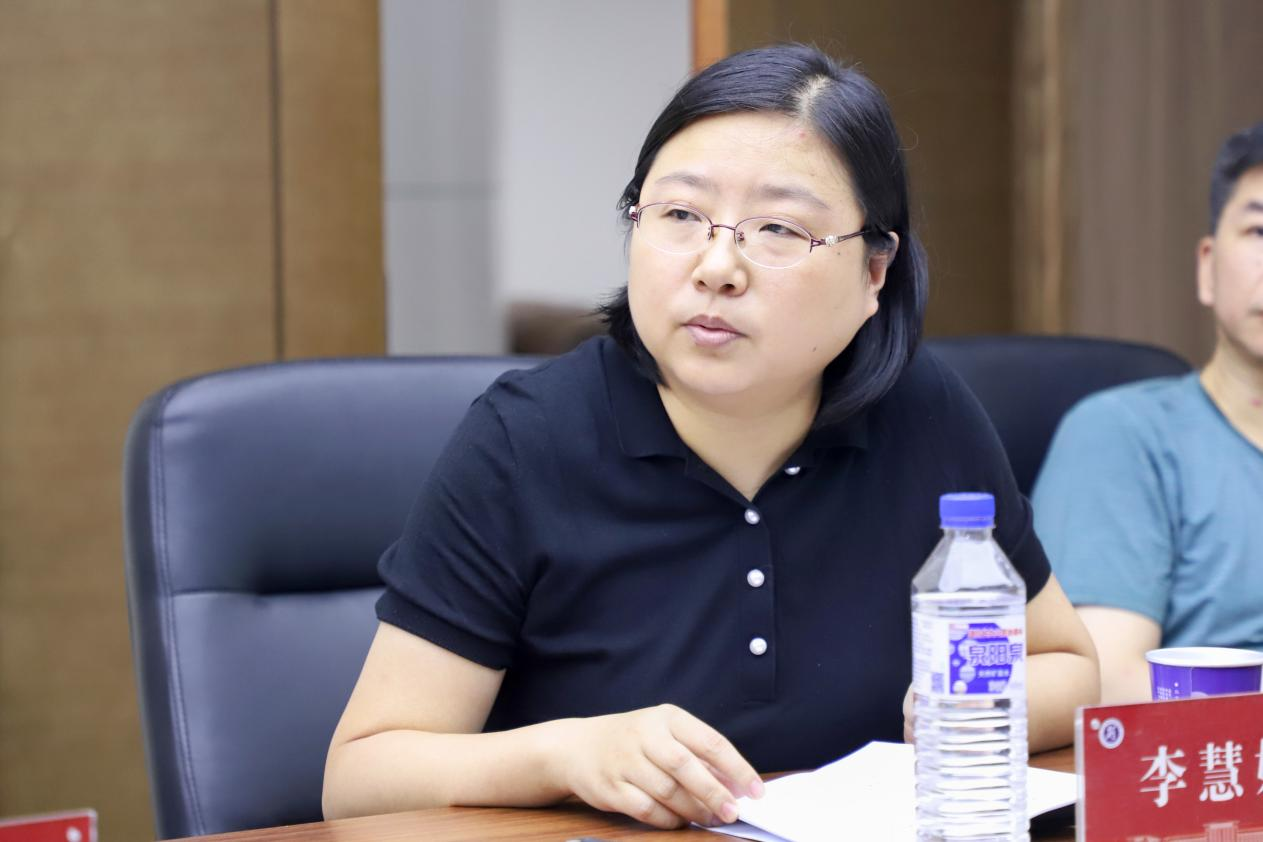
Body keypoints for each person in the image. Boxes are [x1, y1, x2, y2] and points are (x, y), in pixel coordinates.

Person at [323, 43, 1099, 829]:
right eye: (680, 216)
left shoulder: (922, 412)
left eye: (778, 228)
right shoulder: (525, 440)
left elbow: (1066, 665)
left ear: (874, 272)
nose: (716, 266)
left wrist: (959, 702)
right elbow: (361, 776)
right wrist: (565, 754)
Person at [1032, 121, 1263, 705]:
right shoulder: (1123, 436)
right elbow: (1107, 682)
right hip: (1212, 758)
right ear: (1208, 266)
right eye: (1259, 230)